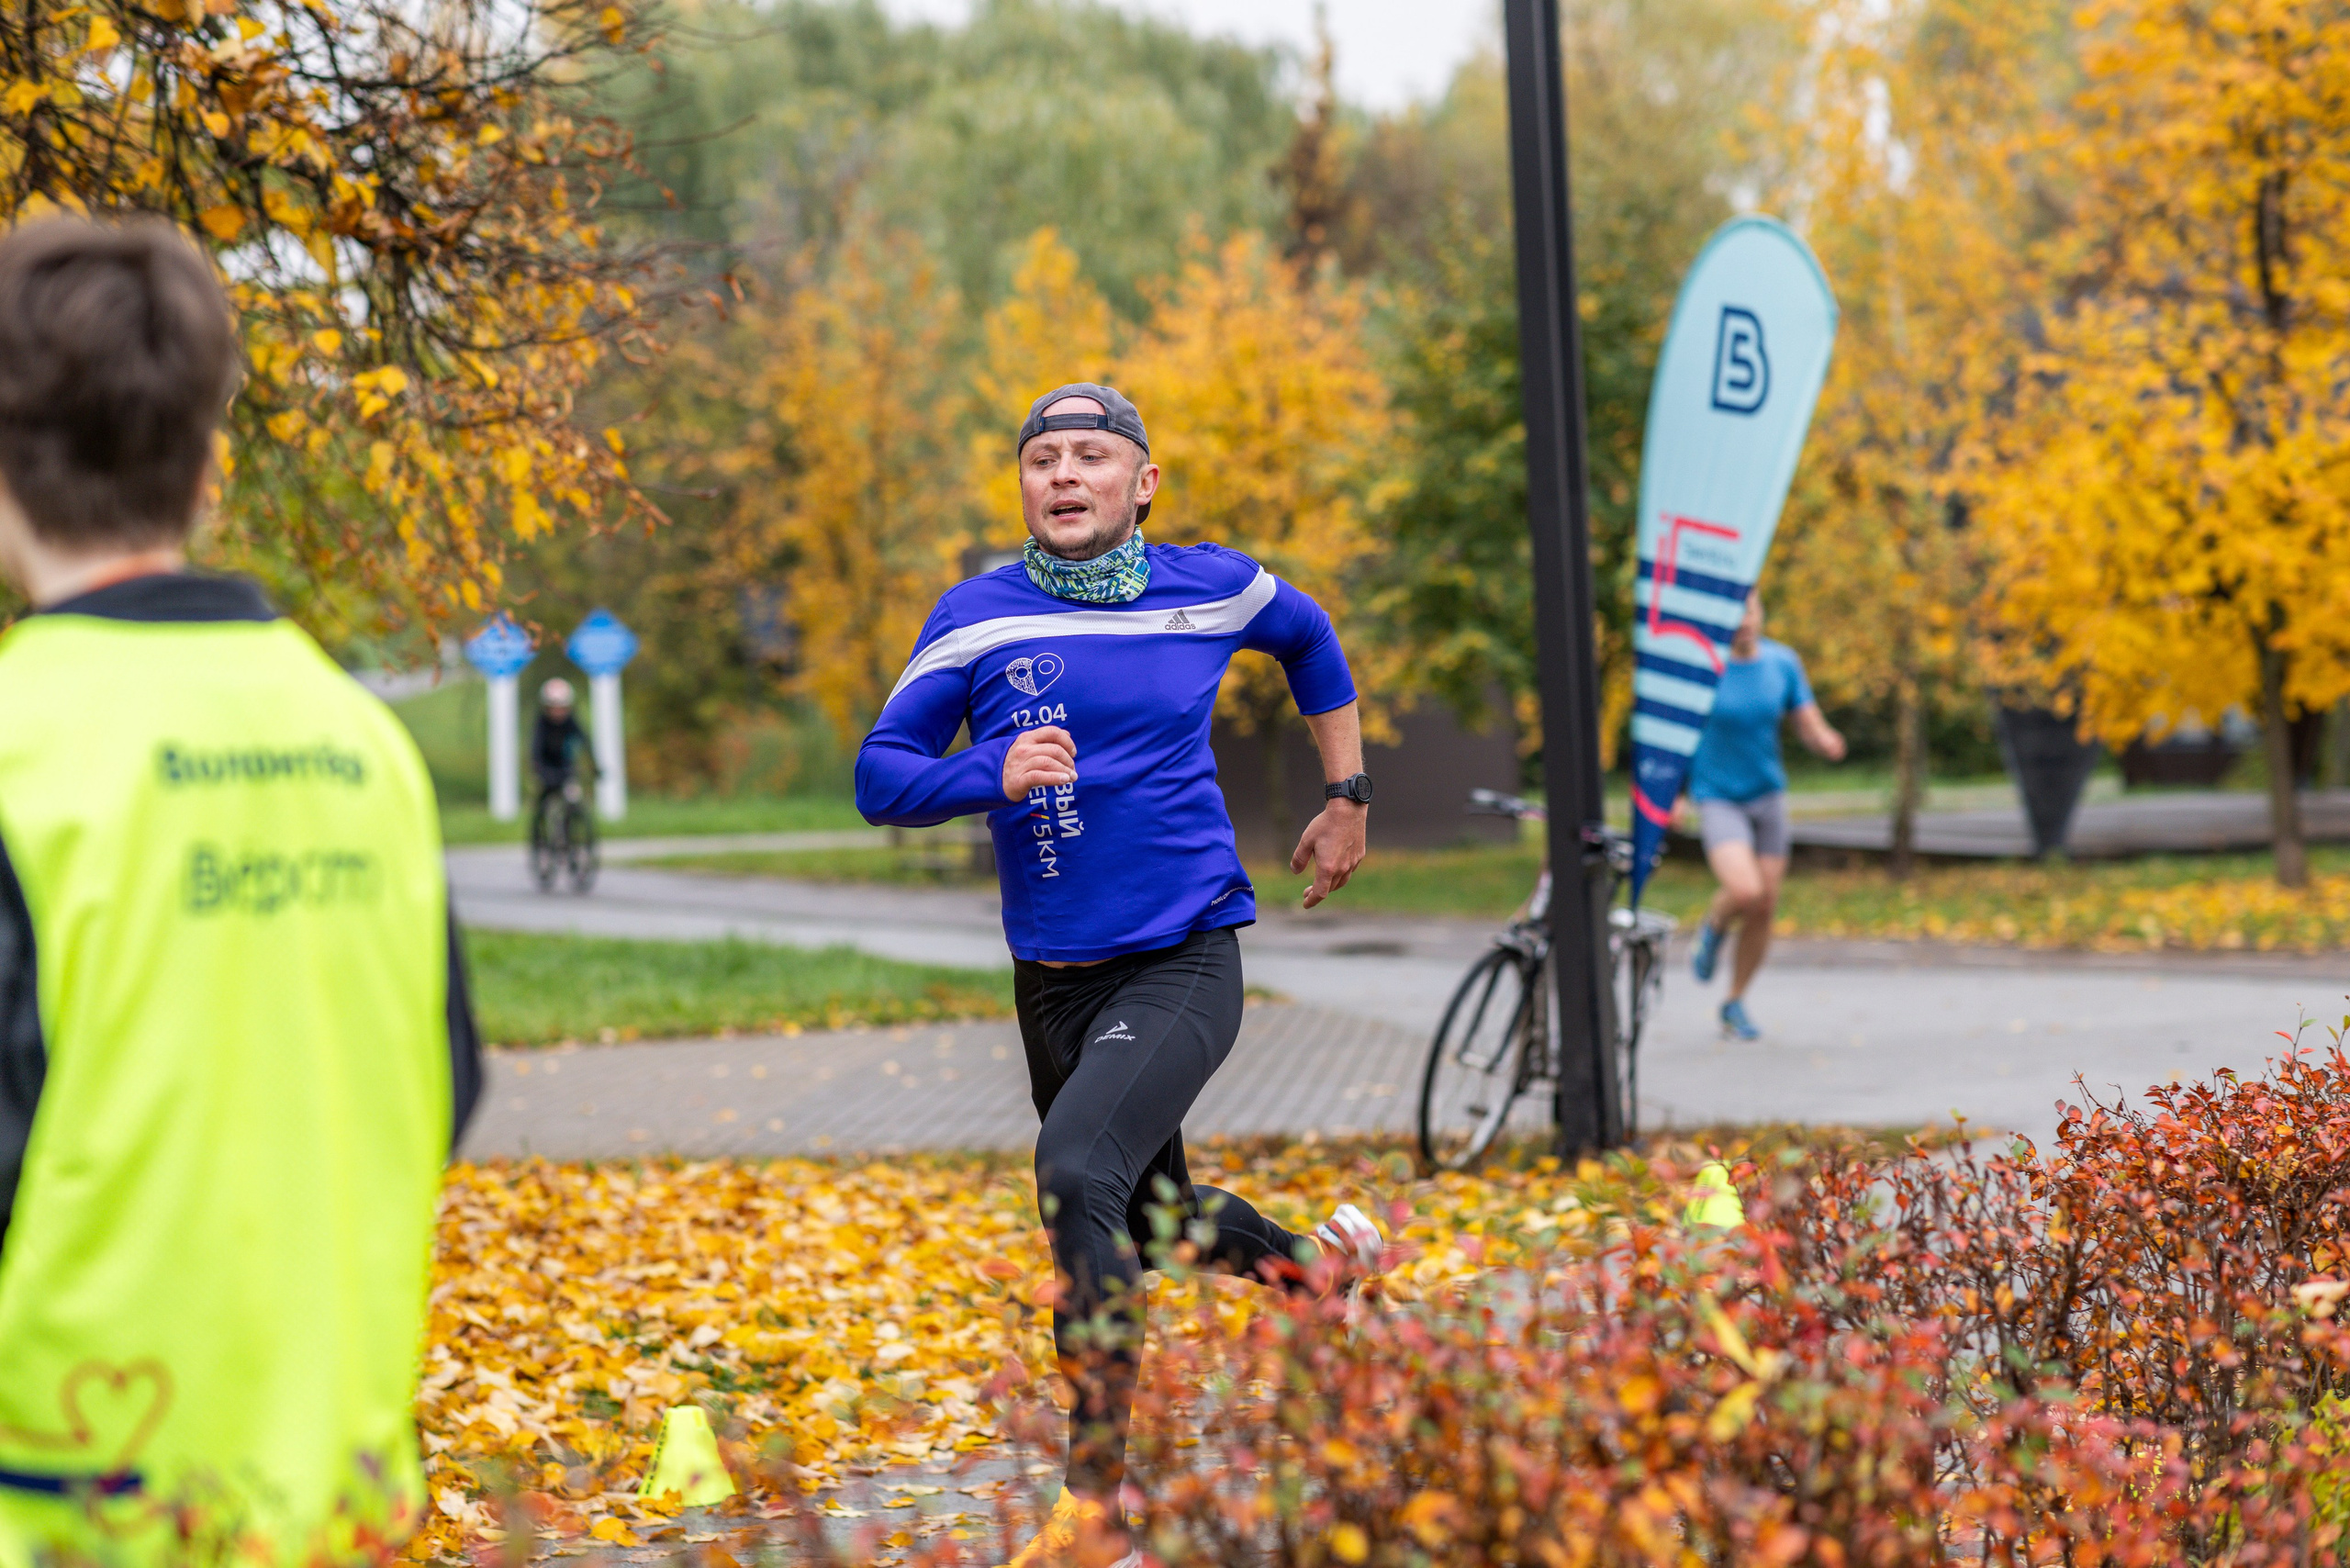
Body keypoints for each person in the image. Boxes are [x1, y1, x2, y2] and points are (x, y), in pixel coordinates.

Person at [0, 218, 483, 1567]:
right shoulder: (360, 743)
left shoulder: (18, 747)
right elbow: (443, 1087)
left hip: (66, 1514)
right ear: (212, 463)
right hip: (336, 1501)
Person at [856, 384, 1386, 1568]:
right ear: (1025, 487)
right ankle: (1318, 1269)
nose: (1064, 475)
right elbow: (879, 776)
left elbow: (1309, 641)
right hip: (1052, 981)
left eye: (1091, 455)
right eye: (1043, 458)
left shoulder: (1212, 587)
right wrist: (985, 773)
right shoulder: (975, 620)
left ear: (1140, 482)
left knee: (1073, 1170)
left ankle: (1098, 1515)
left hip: (1183, 953)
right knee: (1141, 1221)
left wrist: (1346, 795)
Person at [1684, 590, 1845, 1040]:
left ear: (1760, 612)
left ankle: (1734, 1001)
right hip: (1717, 796)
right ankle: (1714, 927)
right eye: (1734, 614)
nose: (1743, 622)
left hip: (1766, 796)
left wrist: (1826, 740)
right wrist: (1674, 792)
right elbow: (1680, 733)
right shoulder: (1706, 666)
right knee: (1744, 889)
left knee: (1765, 904)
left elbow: (1806, 719)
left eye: (1750, 611)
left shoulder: (1782, 663)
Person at [532, 676, 590, 812]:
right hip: (546, 765)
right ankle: (539, 828)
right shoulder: (542, 724)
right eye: (554, 708)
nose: (558, 712)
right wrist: (538, 768)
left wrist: (594, 764)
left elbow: (585, 741)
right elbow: (535, 748)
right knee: (544, 800)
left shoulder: (570, 721)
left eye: (562, 707)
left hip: (565, 764)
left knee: (573, 796)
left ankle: (572, 821)